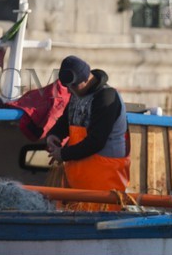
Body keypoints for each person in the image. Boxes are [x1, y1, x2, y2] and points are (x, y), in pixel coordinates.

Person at [46, 55, 130, 197]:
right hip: (79, 182)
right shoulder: (76, 93)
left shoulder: (106, 98)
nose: (71, 90)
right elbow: (66, 120)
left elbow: (96, 141)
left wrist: (63, 154)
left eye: (74, 85)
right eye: (68, 87)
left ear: (86, 78)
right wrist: (54, 135)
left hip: (104, 184)